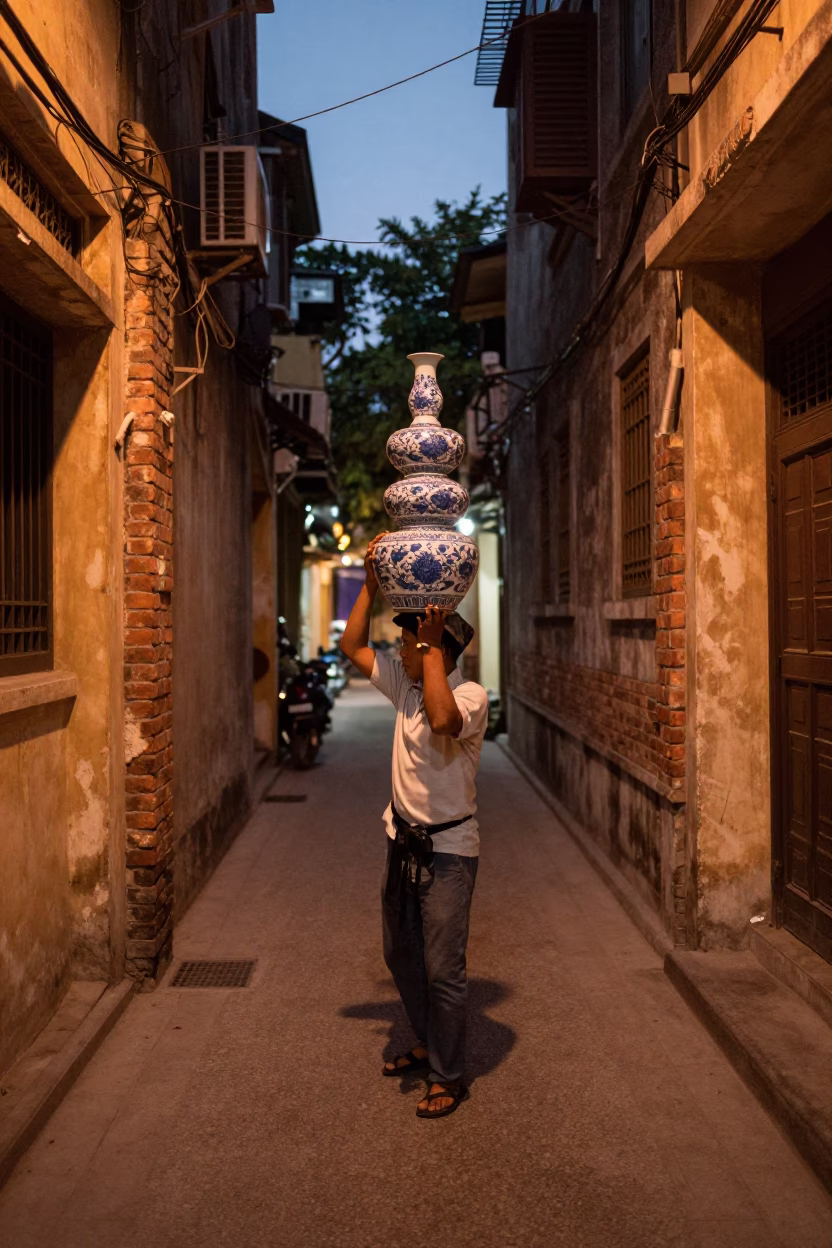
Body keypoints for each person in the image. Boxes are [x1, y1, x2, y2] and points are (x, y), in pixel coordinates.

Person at [340, 532, 489, 1120]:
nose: (400, 650)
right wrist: (370, 587)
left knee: (443, 969)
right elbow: (352, 644)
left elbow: (445, 719)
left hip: (450, 851)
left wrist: (427, 651)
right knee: (400, 955)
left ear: (437, 650)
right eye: (406, 642)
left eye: (410, 642)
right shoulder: (403, 686)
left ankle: (448, 1076)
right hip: (401, 841)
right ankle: (427, 1040)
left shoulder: (470, 694)